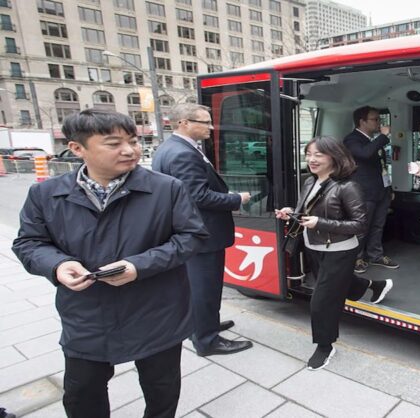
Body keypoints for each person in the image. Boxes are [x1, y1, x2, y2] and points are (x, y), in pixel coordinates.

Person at [12, 109, 209, 417]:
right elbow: (28, 242)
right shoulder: (46, 194)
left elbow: (192, 237)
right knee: (82, 394)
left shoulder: (167, 188)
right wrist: (58, 266)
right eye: (113, 143)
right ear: (78, 148)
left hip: (157, 311)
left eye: (133, 140)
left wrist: (138, 266)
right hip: (87, 313)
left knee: (162, 390)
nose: (130, 150)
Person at [275, 136, 393, 370]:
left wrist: (321, 222)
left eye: (318, 154)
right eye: (308, 154)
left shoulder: (348, 186)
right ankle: (374, 285)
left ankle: (325, 346)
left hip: (340, 251)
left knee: (321, 301)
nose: (311, 159)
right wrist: (291, 212)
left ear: (334, 156)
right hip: (313, 247)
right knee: (339, 283)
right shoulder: (309, 182)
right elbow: (305, 209)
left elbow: (360, 225)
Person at [152, 103, 254, 356]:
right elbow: (198, 196)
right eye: (204, 122)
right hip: (202, 233)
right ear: (183, 123)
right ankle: (207, 340)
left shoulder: (170, 148)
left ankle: (203, 324)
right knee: (204, 287)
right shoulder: (183, 153)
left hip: (190, 230)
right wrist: (236, 199)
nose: (210, 126)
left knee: (198, 287)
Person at [343, 106, 399, 273]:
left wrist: (388, 187)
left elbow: (380, 166)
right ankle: (356, 258)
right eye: (375, 119)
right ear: (362, 121)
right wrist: (383, 136)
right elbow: (365, 154)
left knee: (378, 225)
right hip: (364, 193)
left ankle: (375, 255)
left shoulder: (372, 140)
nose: (379, 123)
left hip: (381, 191)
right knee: (362, 227)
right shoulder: (352, 140)